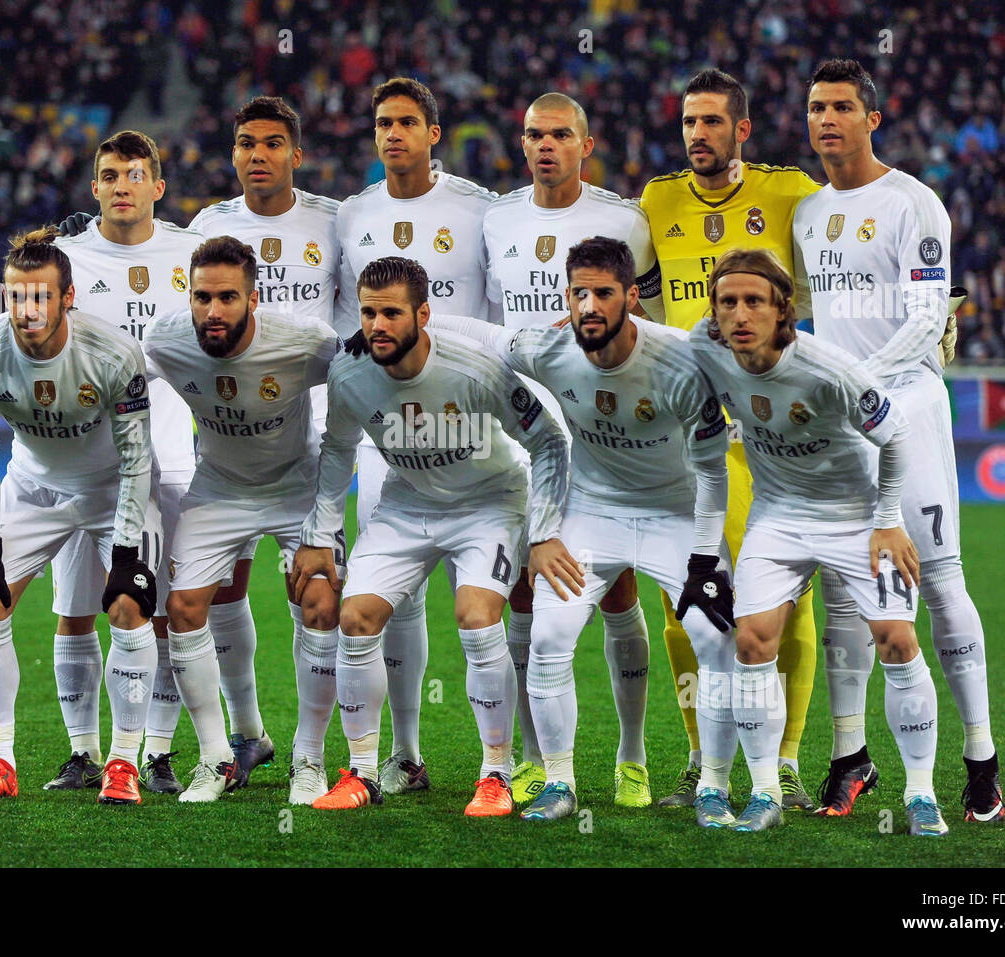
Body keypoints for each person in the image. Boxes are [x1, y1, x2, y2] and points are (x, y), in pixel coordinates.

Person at [426, 237, 736, 821]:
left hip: (677, 514)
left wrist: (702, 561)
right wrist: (413, 318)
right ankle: (559, 784)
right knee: (547, 638)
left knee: (718, 640)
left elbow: (715, 475)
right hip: (592, 513)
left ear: (629, 298)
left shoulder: (680, 362)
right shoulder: (550, 348)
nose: (589, 306)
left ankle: (715, 786)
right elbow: (483, 333)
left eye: (603, 293)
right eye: (578, 293)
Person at [794, 58, 1003, 822]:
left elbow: (925, 318)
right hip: (842, 419)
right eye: (817, 107)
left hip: (907, 407)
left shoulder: (915, 203)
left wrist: (855, 381)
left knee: (940, 577)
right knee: (846, 590)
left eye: (843, 107)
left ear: (871, 118)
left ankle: (981, 759)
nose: (827, 120)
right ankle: (852, 756)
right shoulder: (808, 214)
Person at [291, 256, 569, 816]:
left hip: (487, 502)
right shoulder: (350, 374)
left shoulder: (474, 369)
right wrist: (320, 534)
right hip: (407, 502)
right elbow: (338, 450)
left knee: (475, 615)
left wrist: (542, 532)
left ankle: (496, 775)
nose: (377, 326)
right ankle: (363, 772)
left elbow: (549, 442)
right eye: (368, 313)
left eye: (391, 313)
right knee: (355, 619)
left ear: (423, 313)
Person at [688, 247, 947, 836]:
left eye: (754, 301)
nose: (740, 314)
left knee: (898, 643)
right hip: (778, 517)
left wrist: (887, 518)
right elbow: (647, 341)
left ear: (784, 310)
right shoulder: (704, 348)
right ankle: (762, 792)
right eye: (728, 302)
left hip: (857, 517)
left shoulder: (830, 369)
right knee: (751, 641)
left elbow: (897, 436)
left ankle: (921, 793)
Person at [638, 68, 825, 810]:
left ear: (741, 129)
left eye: (712, 122)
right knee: (685, 601)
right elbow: (640, 299)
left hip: (773, 430)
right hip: (688, 432)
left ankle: (781, 759)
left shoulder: (791, 193)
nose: (696, 135)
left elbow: (837, 277)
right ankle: (699, 753)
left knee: (786, 595)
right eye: (688, 122)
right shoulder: (656, 201)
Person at [481, 93, 666, 808]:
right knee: (525, 589)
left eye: (560, 134)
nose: (545, 146)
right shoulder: (497, 219)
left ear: (586, 144)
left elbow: (647, 316)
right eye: (533, 135)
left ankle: (633, 754)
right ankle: (534, 753)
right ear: (520, 143)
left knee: (617, 586)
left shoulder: (623, 220)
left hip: (602, 431)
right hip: (520, 432)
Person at [0, 227, 161, 806]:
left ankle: (122, 763)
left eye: (41, 296)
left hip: (111, 488)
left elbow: (137, 455)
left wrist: (124, 554)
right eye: (16, 296)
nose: (27, 310)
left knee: (127, 603)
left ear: (68, 297)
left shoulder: (113, 352)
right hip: (33, 487)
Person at [333, 77, 499, 796]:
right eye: (382, 124)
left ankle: (506, 761)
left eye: (406, 122)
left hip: (474, 423)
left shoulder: (480, 209)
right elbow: (352, 321)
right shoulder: (353, 213)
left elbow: (496, 312)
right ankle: (402, 751)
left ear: (435, 133)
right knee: (390, 595)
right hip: (388, 437)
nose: (392, 134)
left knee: (488, 603)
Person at [143, 236, 343, 803]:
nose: (213, 311)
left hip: (295, 488)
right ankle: (216, 759)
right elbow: (116, 371)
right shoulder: (167, 338)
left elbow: (365, 375)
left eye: (228, 297)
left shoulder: (304, 341)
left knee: (320, 604)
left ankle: (309, 757)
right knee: (182, 608)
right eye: (202, 297)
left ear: (253, 298)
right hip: (219, 490)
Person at [46, 130, 203, 796]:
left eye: (135, 174)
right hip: (81, 464)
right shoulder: (65, 257)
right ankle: (82, 751)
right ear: (95, 187)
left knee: (162, 610)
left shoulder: (191, 253)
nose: (122, 185)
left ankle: (155, 750)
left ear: (157, 187)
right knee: (76, 608)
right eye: (110, 175)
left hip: (167, 461)